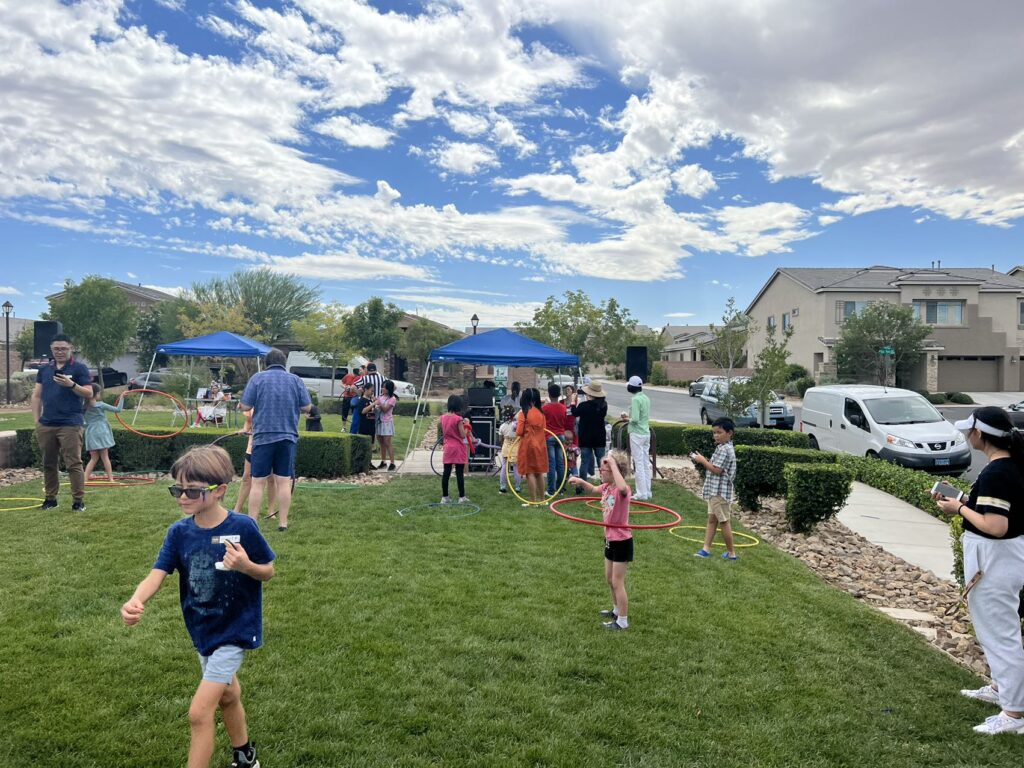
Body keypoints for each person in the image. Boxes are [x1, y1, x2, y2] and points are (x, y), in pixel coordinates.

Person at [120, 445, 275, 768]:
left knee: (199, 712)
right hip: (203, 629)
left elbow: (267, 572)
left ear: (219, 491)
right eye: (177, 489)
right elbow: (157, 573)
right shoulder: (179, 533)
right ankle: (246, 756)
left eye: (192, 490)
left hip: (235, 630)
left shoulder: (243, 527)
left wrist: (246, 565)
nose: (182, 497)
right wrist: (136, 599)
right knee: (229, 696)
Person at [935, 407, 1024, 735]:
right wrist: (960, 498)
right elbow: (989, 508)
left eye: (969, 430)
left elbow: (996, 526)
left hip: (996, 562)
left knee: (1002, 637)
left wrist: (957, 507)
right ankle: (1002, 690)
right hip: (998, 561)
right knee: (994, 631)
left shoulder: (998, 473)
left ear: (980, 434)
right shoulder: (1003, 468)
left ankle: (1014, 715)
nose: (966, 435)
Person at [238, 348, 312, 532]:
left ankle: (252, 522)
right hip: (287, 436)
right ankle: (283, 523)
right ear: (284, 362)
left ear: (266, 363)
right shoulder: (295, 380)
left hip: (262, 437)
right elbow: (307, 407)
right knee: (284, 481)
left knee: (258, 482)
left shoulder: (257, 378)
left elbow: (245, 405)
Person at [568, 450, 633, 630]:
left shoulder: (623, 490)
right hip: (610, 538)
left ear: (614, 471)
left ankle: (623, 621)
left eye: (603, 469)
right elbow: (594, 489)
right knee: (609, 579)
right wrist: (581, 481)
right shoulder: (605, 488)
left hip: (622, 540)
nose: (600, 473)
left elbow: (621, 488)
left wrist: (612, 463)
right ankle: (615, 610)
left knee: (617, 581)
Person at [32, 333, 93, 512]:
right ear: (51, 350)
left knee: (73, 463)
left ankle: (78, 502)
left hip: (70, 423)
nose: (60, 352)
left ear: (71, 349)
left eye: (64, 348)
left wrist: (71, 385)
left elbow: (89, 393)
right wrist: (37, 421)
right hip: (47, 423)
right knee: (49, 463)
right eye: (56, 349)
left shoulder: (80, 368)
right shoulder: (44, 370)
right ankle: (50, 499)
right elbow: (36, 396)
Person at [691, 417, 739, 561]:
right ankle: (706, 549)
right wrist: (703, 459)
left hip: (720, 492)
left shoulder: (726, 450)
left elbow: (717, 470)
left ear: (729, 433)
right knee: (712, 519)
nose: (716, 435)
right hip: (714, 491)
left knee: (724, 521)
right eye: (714, 433)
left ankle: (731, 553)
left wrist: (702, 460)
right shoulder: (721, 447)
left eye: (719, 432)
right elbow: (715, 466)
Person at [231, 409, 278, 519]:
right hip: (253, 447)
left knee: (271, 479)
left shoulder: (277, 403)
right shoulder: (253, 405)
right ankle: (237, 508)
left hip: (271, 446)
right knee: (247, 477)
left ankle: (271, 511)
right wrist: (245, 429)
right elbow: (249, 421)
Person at [619, 375, 652, 501]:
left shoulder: (635, 400)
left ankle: (641, 493)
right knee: (645, 463)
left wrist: (626, 419)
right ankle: (647, 491)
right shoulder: (646, 398)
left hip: (637, 434)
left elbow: (636, 419)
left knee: (638, 463)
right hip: (645, 433)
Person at [570, 380, 609, 486]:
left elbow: (574, 412)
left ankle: (582, 485)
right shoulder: (603, 405)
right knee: (602, 462)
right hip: (599, 437)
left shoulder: (583, 405)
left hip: (585, 437)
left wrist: (573, 401)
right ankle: (604, 483)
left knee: (584, 462)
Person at [83, 383, 124, 483]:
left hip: (91, 433)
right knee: (105, 457)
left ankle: (84, 479)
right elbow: (118, 410)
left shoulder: (83, 407)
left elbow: (82, 423)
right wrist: (122, 397)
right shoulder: (101, 405)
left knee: (94, 458)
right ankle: (110, 479)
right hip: (101, 432)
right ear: (95, 394)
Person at [516, 388, 548, 504]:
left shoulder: (524, 413)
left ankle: (533, 501)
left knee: (529, 472)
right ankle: (543, 500)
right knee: (539, 472)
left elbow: (519, 432)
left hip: (528, 445)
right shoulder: (541, 413)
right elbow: (544, 429)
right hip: (541, 445)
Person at [440, 395, 469, 503]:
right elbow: (462, 435)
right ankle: (462, 497)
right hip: (458, 448)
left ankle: (445, 497)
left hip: (447, 447)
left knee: (446, 473)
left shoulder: (443, 417)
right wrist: (467, 425)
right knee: (459, 473)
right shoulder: (458, 419)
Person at [542, 383, 570, 496]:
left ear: (549, 394)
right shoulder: (563, 408)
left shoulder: (545, 408)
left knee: (551, 464)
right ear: (559, 395)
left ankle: (551, 490)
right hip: (561, 436)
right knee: (560, 463)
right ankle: (561, 489)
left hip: (549, 437)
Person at [374, 380, 398, 471]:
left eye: (384, 387)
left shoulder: (392, 399)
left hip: (387, 422)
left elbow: (385, 410)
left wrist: (378, 403)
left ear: (389, 389)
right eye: (382, 387)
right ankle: (383, 461)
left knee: (387, 442)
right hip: (379, 422)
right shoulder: (380, 396)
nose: (382, 389)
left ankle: (392, 463)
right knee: (381, 443)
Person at [497, 406, 521, 494]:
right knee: (516, 468)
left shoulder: (502, 426)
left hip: (506, 447)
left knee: (504, 467)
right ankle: (517, 487)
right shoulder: (517, 425)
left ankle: (503, 486)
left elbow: (500, 439)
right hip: (516, 447)